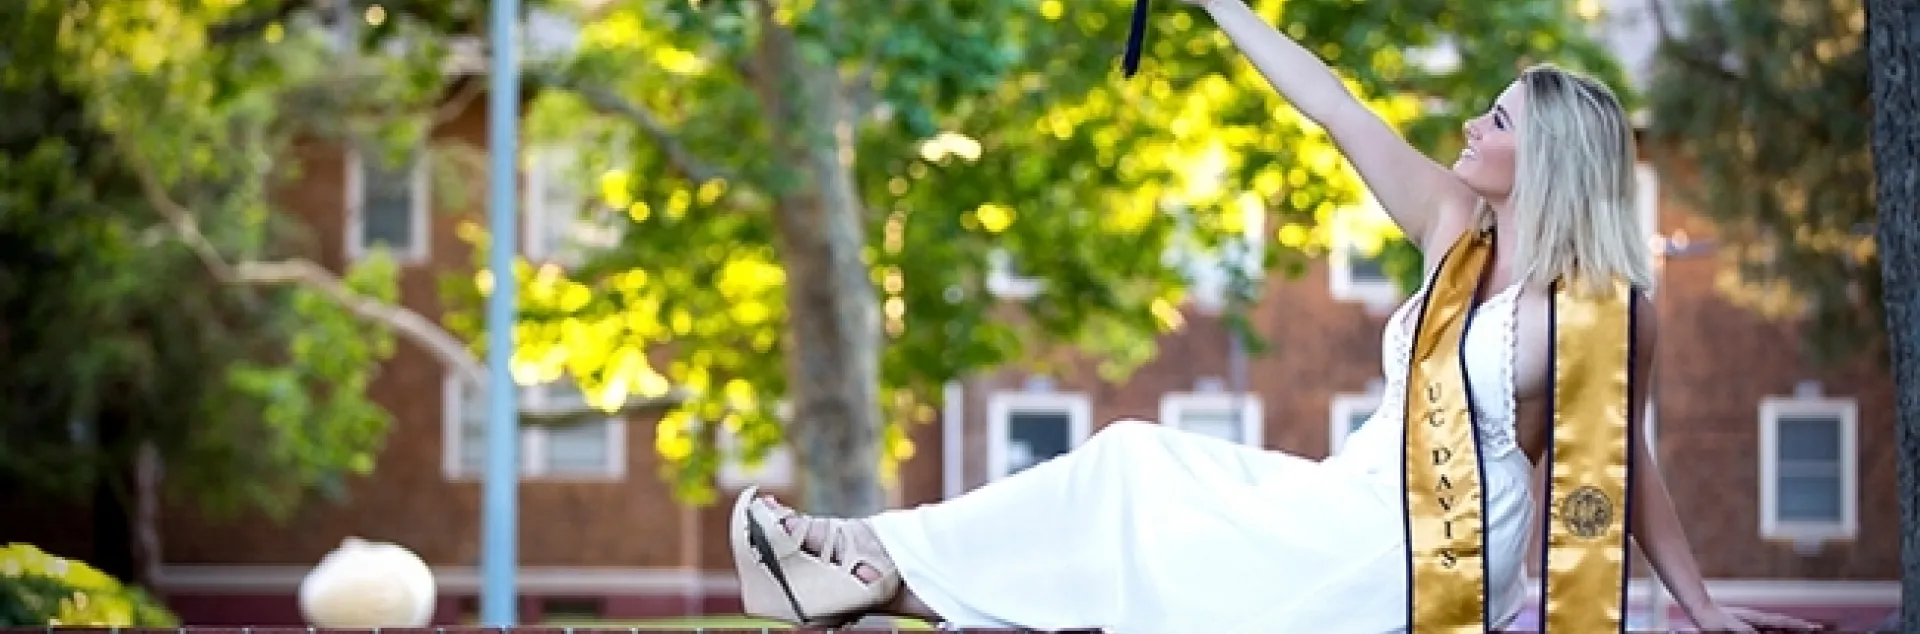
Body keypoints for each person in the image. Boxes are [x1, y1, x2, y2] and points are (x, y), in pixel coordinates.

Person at [725, 1, 1826, 632]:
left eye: (1495, 121)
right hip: (1348, 494)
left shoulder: (1594, 306)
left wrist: (1697, 605)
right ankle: (864, 563)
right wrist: (1220, 3)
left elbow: (1616, 470)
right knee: (1130, 465)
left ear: (1546, 156)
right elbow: (1334, 105)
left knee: (1139, 477)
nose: (1469, 127)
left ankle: (862, 564)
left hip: (1427, 548)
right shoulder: (1455, 229)